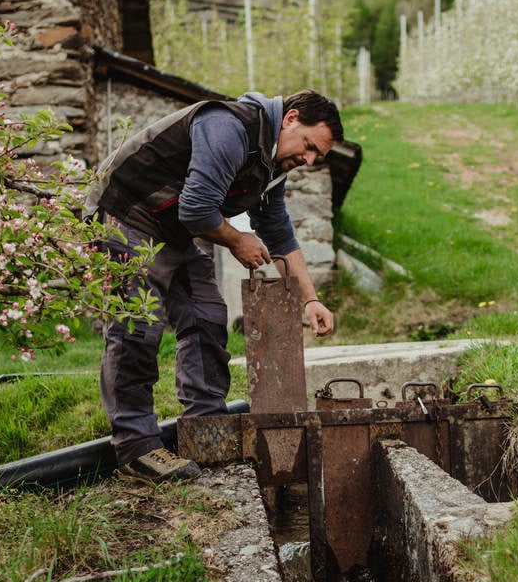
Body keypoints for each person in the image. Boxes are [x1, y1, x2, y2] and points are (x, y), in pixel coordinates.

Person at [85, 90, 342, 482]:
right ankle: (136, 450)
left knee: (206, 313)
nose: (308, 160)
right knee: (139, 325)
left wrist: (311, 300)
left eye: (316, 157)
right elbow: (196, 208)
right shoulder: (229, 127)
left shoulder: (272, 166)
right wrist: (237, 240)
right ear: (290, 119)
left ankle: (205, 429)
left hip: (169, 230)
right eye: (308, 146)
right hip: (124, 213)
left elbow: (280, 236)